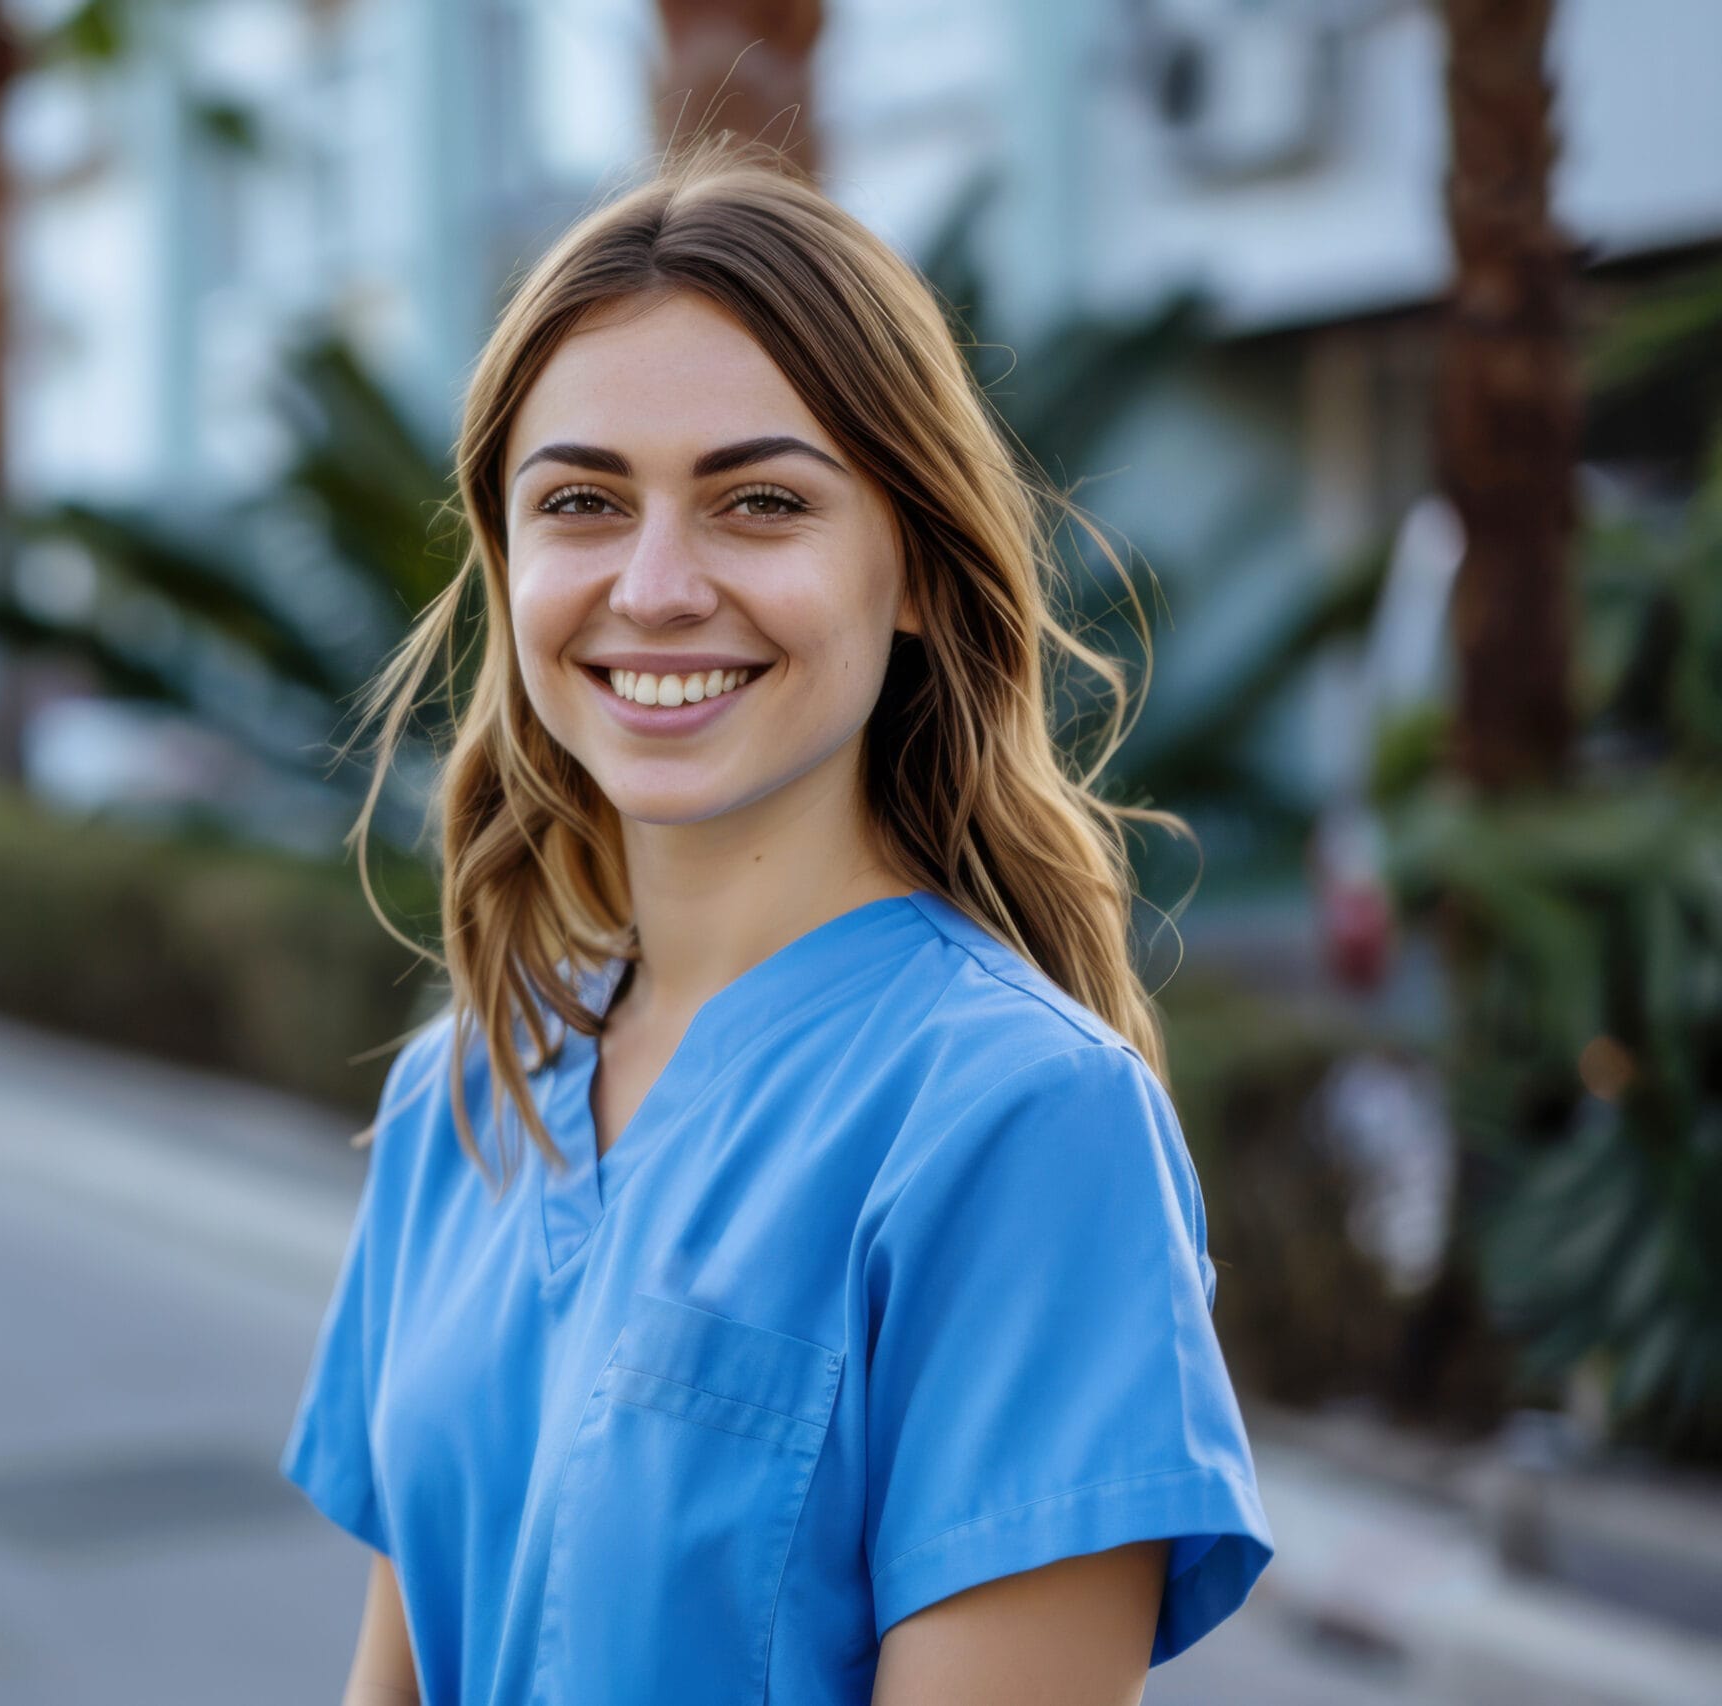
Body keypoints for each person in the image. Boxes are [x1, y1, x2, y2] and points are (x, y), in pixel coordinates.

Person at [279, 136, 1274, 1706]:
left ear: (915, 573)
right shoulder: (459, 1094)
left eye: (758, 500)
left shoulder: (1026, 1125)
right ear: (508, 563)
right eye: (584, 502)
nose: (658, 586)